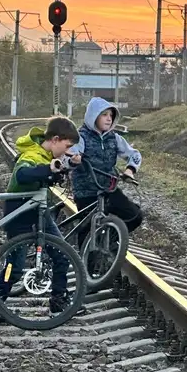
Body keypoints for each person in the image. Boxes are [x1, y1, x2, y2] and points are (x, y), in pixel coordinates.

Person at [0, 116, 86, 320]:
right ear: (55, 139)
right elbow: (22, 175)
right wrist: (49, 169)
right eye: (67, 146)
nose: (67, 150)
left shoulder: (47, 155)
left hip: (38, 209)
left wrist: (68, 166)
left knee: (61, 253)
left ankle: (58, 302)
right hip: (18, 209)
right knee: (15, 265)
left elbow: (52, 171)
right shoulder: (31, 154)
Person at [68, 97, 143, 256]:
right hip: (86, 192)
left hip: (109, 189)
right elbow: (69, 156)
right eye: (104, 115)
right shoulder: (80, 137)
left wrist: (130, 170)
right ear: (93, 116)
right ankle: (85, 268)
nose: (109, 118)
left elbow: (134, 155)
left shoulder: (115, 138)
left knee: (135, 215)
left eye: (111, 115)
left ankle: (111, 239)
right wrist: (74, 160)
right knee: (87, 230)